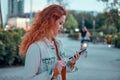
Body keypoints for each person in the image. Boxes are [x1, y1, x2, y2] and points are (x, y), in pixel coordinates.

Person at [19, 4, 81, 80]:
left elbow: (61, 68)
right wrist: (53, 72)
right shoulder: (35, 48)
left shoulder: (58, 44)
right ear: (50, 22)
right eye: (60, 23)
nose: (62, 27)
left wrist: (72, 62)